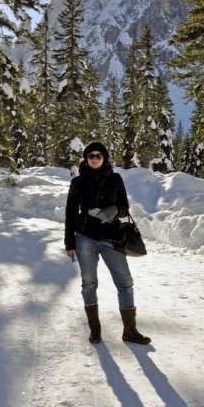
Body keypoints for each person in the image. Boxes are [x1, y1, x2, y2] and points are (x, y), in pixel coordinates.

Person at [64, 141, 151, 345]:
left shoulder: (115, 178)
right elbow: (70, 213)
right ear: (85, 158)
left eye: (99, 156)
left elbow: (124, 207)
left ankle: (130, 331)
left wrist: (112, 211)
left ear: (105, 158)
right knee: (89, 283)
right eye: (91, 156)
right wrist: (70, 243)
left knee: (125, 283)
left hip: (112, 237)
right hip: (85, 237)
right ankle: (95, 330)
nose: (95, 159)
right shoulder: (78, 182)